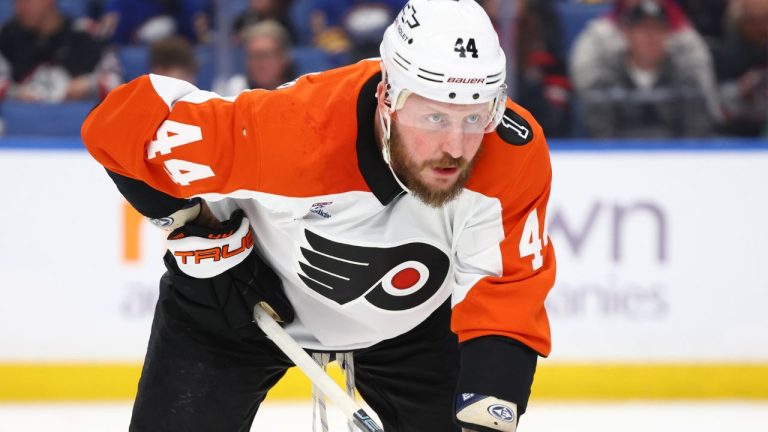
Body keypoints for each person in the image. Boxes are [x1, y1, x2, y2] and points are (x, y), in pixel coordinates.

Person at [82, 1, 555, 431]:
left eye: (474, 116)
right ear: (389, 97)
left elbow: (506, 290)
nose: (456, 146)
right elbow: (117, 124)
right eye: (434, 118)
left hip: (414, 324)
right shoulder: (289, 132)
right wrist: (190, 221)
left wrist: (488, 414)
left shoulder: (509, 152)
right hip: (240, 296)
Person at [576, 0, 714, 138]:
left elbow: (696, 135)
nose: (650, 37)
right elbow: (601, 137)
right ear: (627, 33)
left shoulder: (686, 82)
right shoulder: (606, 82)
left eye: (657, 29)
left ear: (668, 34)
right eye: (643, 29)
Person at [0, 0, 121, 102]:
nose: (18, 9)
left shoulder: (86, 33)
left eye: (25, 1)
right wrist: (16, 92)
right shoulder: (7, 35)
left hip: (77, 123)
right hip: (24, 124)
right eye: (15, 2)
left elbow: (115, 81)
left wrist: (89, 85)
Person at [715, 0, 768, 137]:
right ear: (740, 21)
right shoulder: (725, 55)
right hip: (735, 134)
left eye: (766, 18)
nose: (762, 27)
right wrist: (739, 89)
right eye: (753, 20)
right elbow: (717, 111)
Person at [225, 20, 297, 95]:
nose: (261, 64)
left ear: (284, 57)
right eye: (253, 56)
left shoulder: (302, 92)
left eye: (266, 55)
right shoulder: (237, 90)